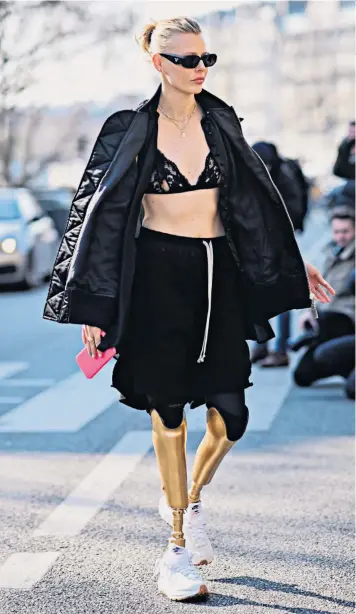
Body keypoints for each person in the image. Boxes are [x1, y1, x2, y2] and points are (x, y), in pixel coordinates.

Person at [43, 17, 334, 603]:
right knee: (169, 406)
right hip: (156, 278)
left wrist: (291, 259)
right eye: (185, 58)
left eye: (206, 56)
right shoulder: (127, 129)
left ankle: (189, 497)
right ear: (158, 63)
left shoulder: (221, 121)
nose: (199, 67)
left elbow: (255, 199)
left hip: (219, 275)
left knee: (231, 416)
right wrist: (94, 305)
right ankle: (176, 546)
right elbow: (95, 216)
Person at [250, 141, 306, 367]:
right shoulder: (253, 174)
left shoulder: (284, 176)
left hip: (282, 242)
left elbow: (294, 211)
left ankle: (280, 349)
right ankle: (261, 345)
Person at [293, 211, 355, 388]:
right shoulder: (328, 253)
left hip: (347, 319)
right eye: (336, 232)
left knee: (329, 320)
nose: (340, 236)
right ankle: (343, 364)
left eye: (345, 231)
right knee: (302, 376)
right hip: (324, 319)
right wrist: (308, 313)